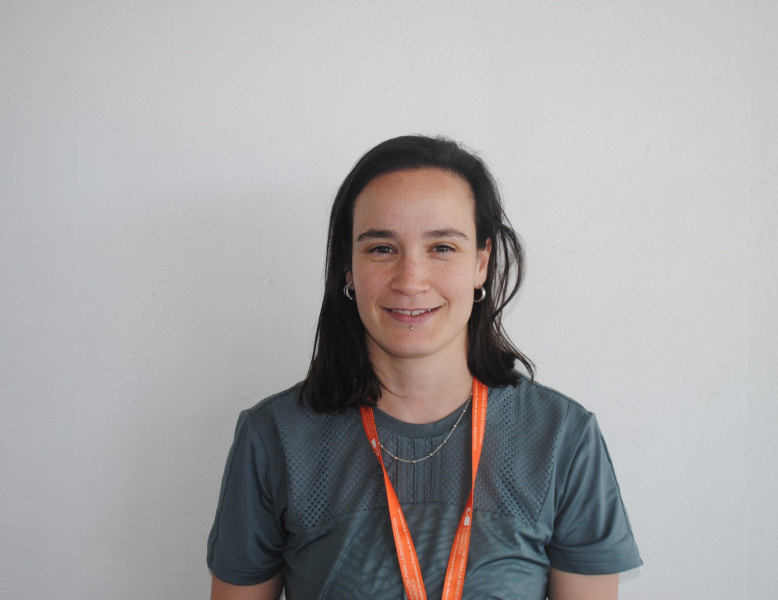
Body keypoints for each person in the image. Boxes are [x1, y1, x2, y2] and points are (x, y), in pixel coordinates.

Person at [207, 135, 642, 599]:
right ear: (347, 267)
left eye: (442, 248)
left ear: (481, 263)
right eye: (381, 249)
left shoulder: (562, 438)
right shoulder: (274, 437)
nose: (410, 280)